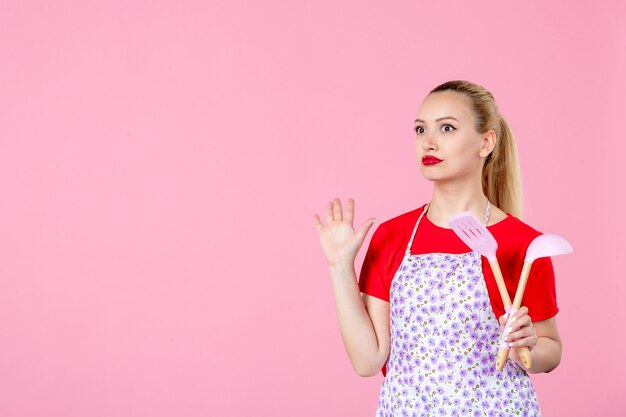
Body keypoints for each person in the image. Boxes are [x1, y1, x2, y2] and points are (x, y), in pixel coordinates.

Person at [312, 80, 562, 416]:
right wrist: (340, 266)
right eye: (420, 130)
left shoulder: (523, 244)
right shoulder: (391, 236)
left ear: (486, 142)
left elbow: (551, 351)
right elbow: (367, 360)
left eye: (446, 128)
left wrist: (527, 346)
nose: (428, 143)